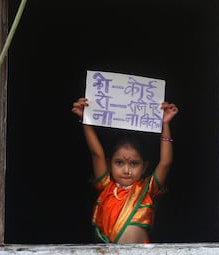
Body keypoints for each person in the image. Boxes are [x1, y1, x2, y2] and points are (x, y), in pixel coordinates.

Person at [71, 97, 179, 244]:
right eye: (119, 163)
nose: (126, 170)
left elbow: (165, 162)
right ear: (109, 164)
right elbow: (97, 153)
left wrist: (165, 124)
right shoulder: (106, 187)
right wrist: (86, 119)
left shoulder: (147, 189)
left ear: (144, 167)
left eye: (134, 164)